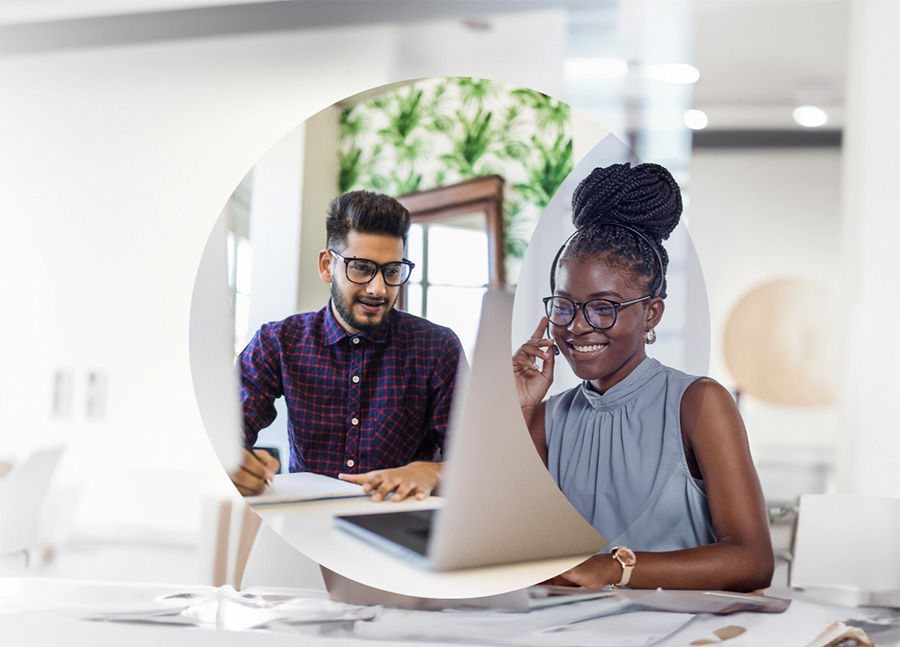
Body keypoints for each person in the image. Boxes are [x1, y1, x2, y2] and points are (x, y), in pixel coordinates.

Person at [513, 163, 773, 592]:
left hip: (680, 644)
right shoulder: (546, 419)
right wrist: (520, 408)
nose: (577, 326)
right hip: (570, 640)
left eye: (603, 307)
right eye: (564, 306)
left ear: (651, 313)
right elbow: (504, 538)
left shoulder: (699, 404)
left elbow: (752, 559)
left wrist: (614, 568)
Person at [231, 190, 464, 502]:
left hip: (402, 524)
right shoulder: (277, 342)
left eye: (392, 270)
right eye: (362, 267)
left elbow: (477, 462)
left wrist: (431, 471)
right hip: (304, 524)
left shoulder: (438, 348)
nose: (378, 288)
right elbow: (223, 431)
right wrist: (231, 461)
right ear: (328, 266)